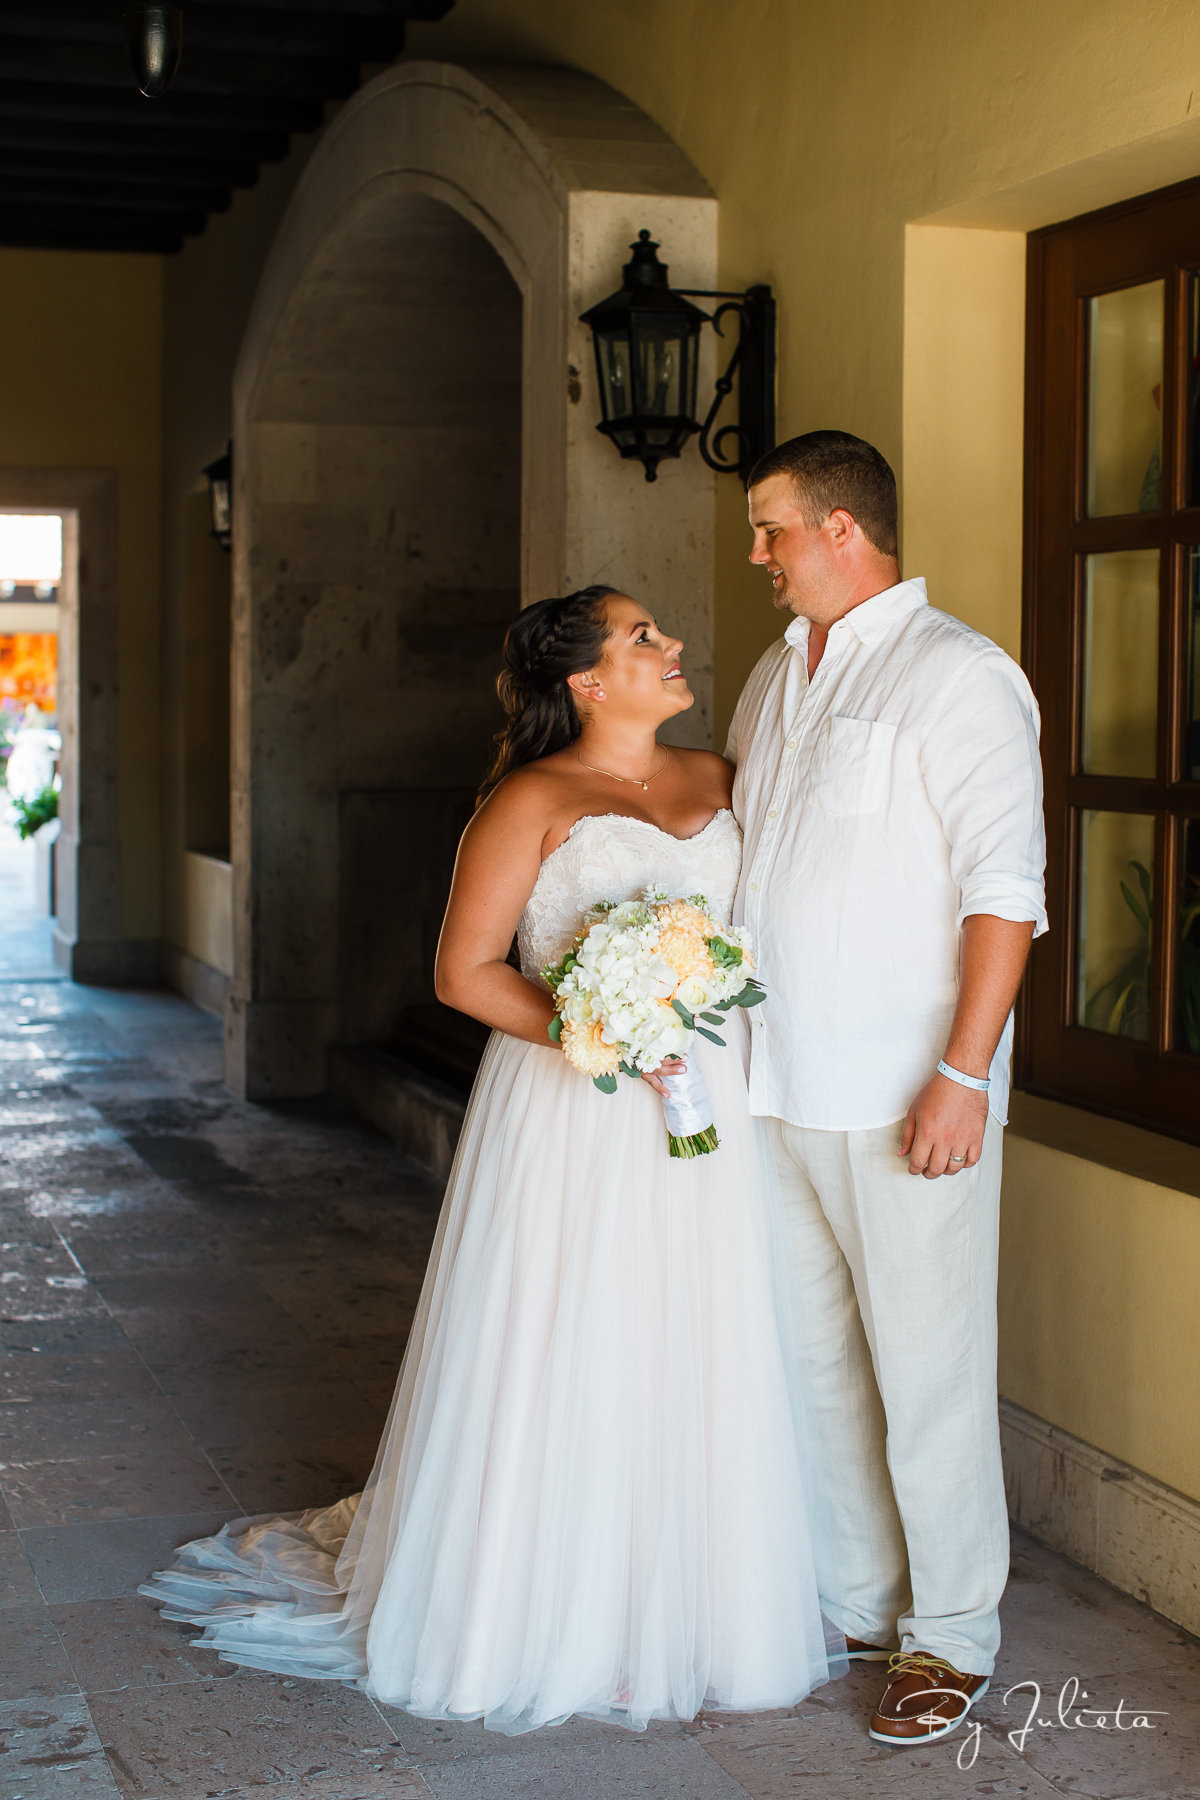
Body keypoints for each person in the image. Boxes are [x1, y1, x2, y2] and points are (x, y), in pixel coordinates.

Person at [141, 585, 844, 1733]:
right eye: (642, 640)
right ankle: (550, 1607)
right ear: (587, 682)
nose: (671, 649)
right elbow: (465, 974)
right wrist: (599, 1026)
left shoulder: (720, 779)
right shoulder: (529, 801)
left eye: (660, 633)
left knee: (700, 1332)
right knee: (579, 1332)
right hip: (579, 1107)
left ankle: (688, 1606)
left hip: (711, 1104)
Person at [727, 430, 1047, 1747]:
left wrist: (964, 1072)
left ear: (843, 530)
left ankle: (953, 1634)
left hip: (910, 1091)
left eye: (772, 528)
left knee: (927, 1372)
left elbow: (1006, 894)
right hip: (774, 1081)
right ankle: (856, 1601)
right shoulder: (770, 674)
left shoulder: (959, 677)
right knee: (812, 1368)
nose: (757, 554)